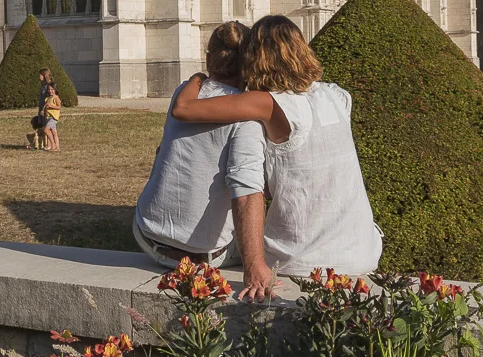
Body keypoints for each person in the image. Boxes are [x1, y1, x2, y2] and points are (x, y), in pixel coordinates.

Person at [169, 15, 383, 301]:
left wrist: (199, 77)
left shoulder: (267, 103)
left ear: (255, 57)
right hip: (362, 252)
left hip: (304, 262)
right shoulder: (337, 95)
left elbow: (184, 109)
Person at [132, 22, 263, 270]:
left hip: (148, 233)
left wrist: (197, 78)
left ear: (207, 58)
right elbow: (246, 192)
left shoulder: (184, 91)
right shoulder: (247, 114)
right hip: (203, 256)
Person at [35, 68, 62, 151]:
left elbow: (57, 104)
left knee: (47, 129)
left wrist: (49, 106)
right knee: (52, 130)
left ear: (44, 75)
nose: (39, 77)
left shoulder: (49, 86)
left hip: (51, 113)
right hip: (46, 110)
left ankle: (52, 145)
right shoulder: (43, 85)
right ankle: (53, 146)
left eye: (40, 75)